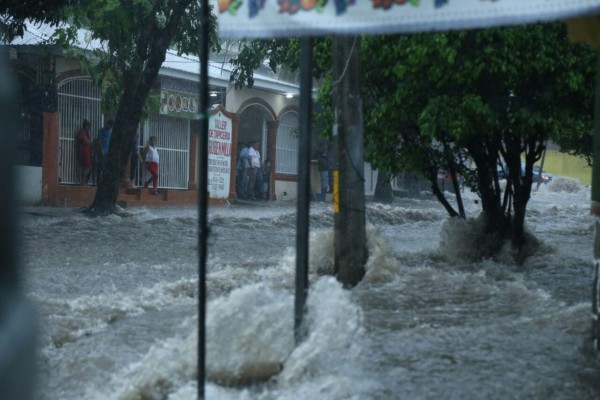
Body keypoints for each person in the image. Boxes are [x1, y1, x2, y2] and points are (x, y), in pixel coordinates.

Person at [76, 119, 93, 185]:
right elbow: (87, 141)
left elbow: (89, 141)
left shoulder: (86, 133)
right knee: (86, 166)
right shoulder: (82, 132)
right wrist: (90, 142)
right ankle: (82, 181)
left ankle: (83, 180)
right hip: (83, 152)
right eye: (88, 126)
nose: (89, 128)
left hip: (87, 151)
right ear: (85, 126)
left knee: (86, 166)